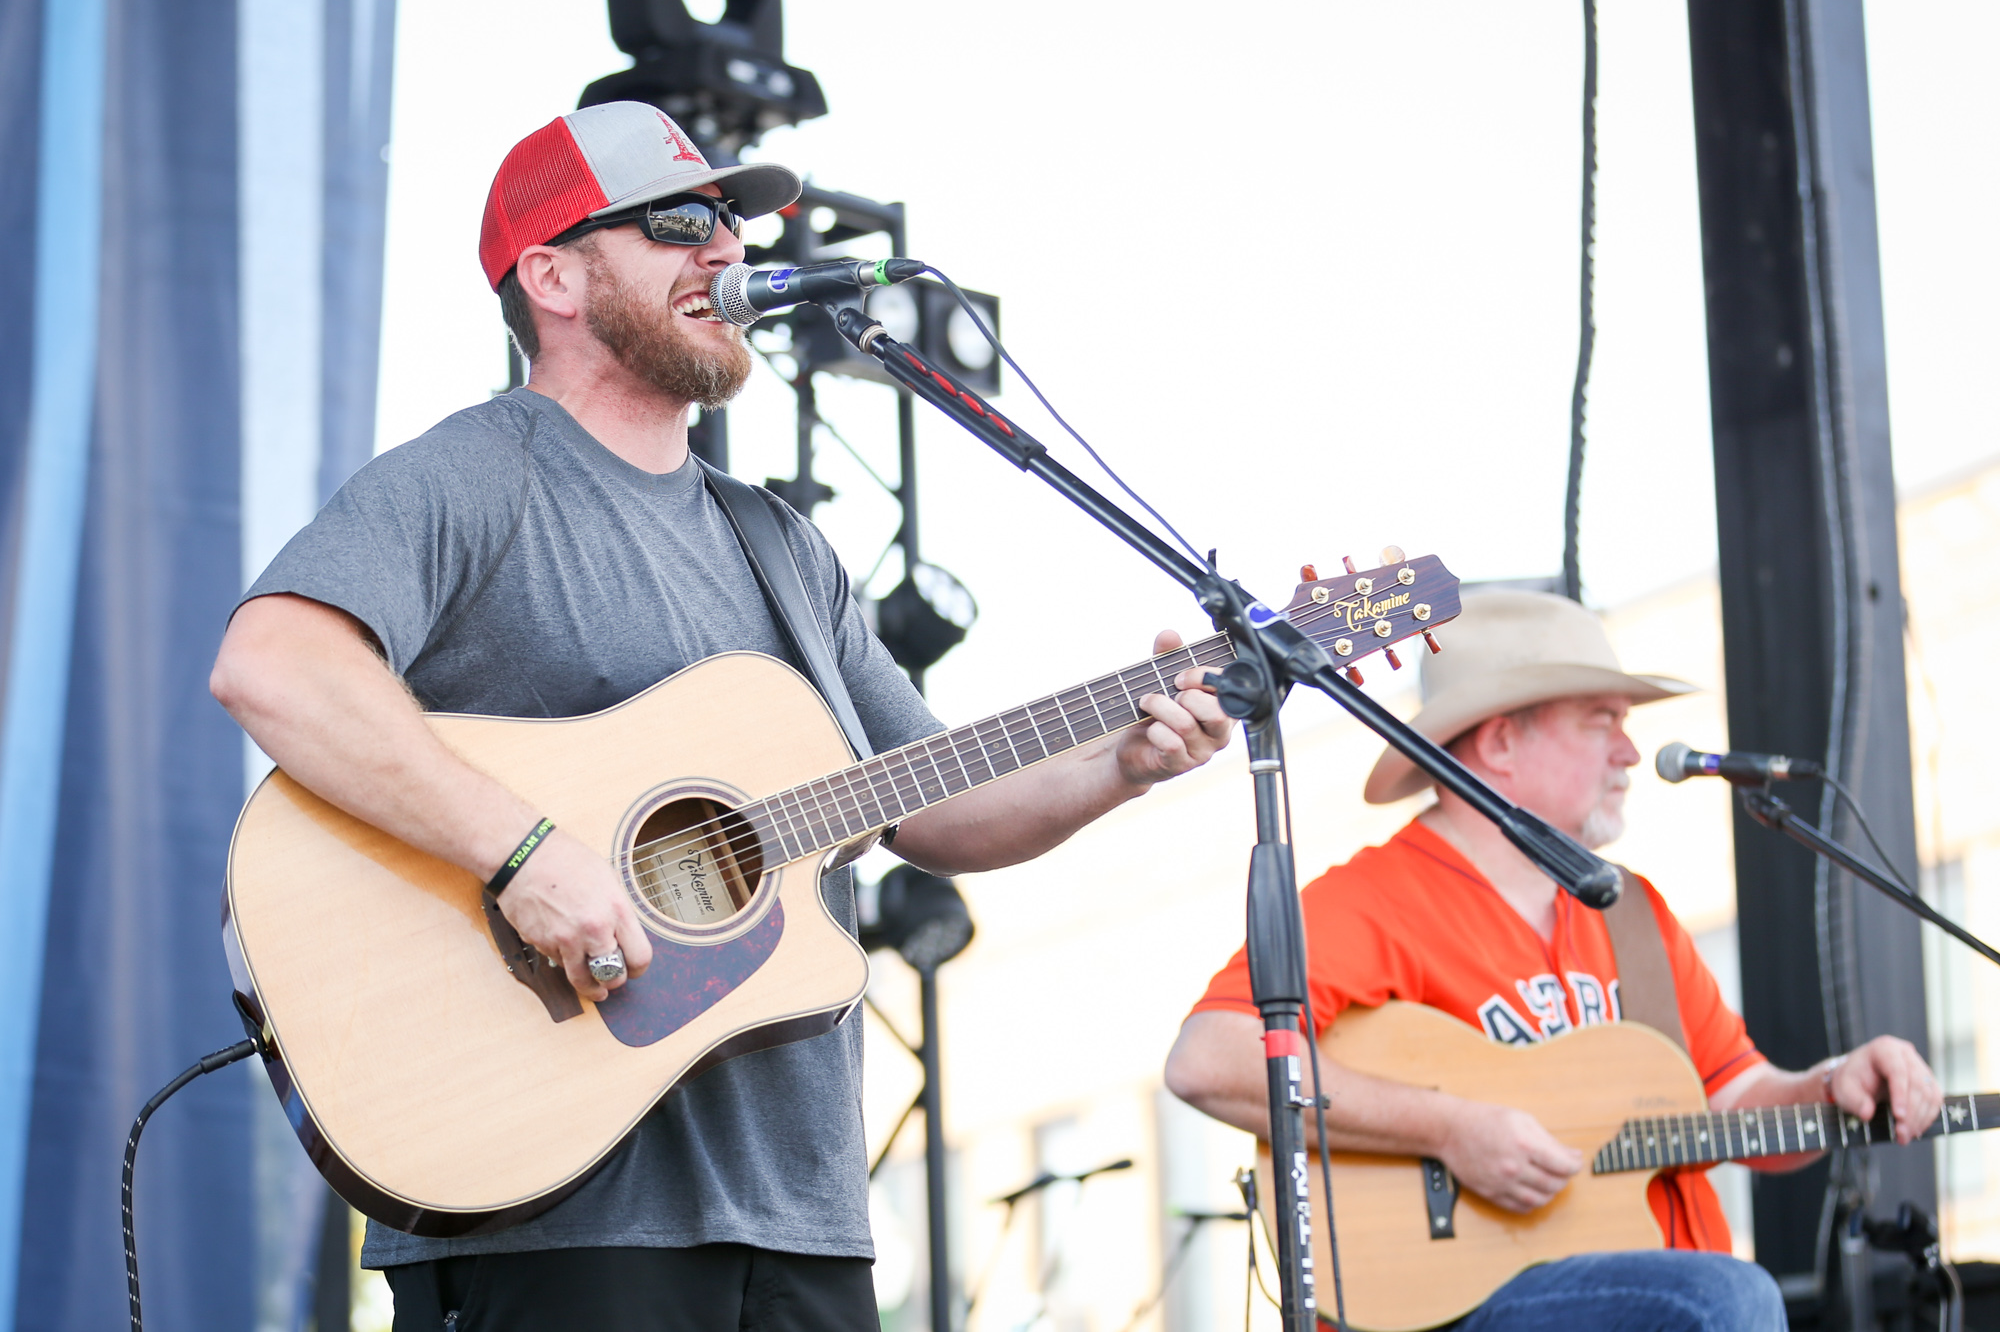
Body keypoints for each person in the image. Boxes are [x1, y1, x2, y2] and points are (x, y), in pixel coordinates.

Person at [209, 101, 1233, 1332]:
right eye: (679, 223)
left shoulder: (781, 548)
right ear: (554, 276)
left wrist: (1119, 763)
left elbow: (934, 802)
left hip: (799, 1208)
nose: (726, 255)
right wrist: (525, 852)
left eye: (736, 227)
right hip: (550, 1206)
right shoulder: (478, 475)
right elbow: (272, 665)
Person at [1163, 589, 1942, 1331]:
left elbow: (1731, 1101)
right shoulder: (1371, 900)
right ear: (1501, 739)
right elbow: (1210, 1059)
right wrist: (1449, 1129)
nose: (1631, 749)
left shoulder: (1633, 913)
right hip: (1453, 1306)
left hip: (1666, 1289)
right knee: (1726, 1297)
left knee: (1719, 1296)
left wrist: (1831, 1083)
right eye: (1602, 720)